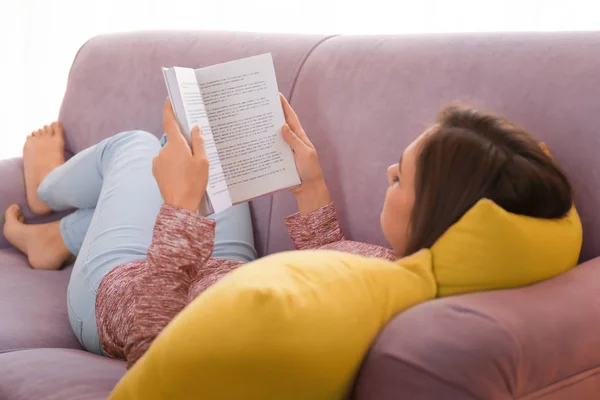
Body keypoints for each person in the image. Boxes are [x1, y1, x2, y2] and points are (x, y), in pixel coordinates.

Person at [2, 95, 572, 369]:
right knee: (205, 152)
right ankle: (61, 239)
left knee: (137, 145)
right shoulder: (406, 274)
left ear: (441, 216)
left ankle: (44, 187)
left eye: (401, 179)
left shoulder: (401, 292)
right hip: (212, 267)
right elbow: (331, 268)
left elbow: (147, 336)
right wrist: (311, 186)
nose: (388, 173)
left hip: (123, 293)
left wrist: (181, 205)